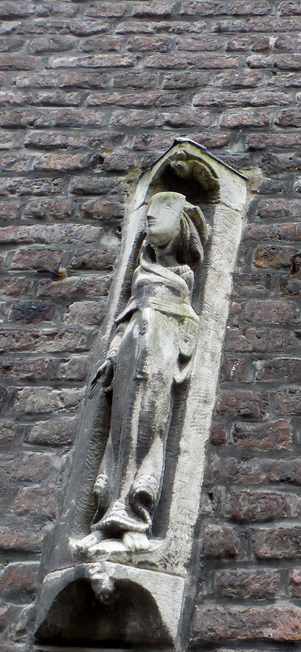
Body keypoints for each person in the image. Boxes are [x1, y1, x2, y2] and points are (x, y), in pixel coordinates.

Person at [75, 192, 208, 553]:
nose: (151, 216)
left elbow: (188, 322)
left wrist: (178, 346)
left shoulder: (183, 276)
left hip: (160, 352)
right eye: (148, 211)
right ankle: (106, 520)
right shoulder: (140, 272)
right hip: (132, 350)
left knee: (147, 427)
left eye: (162, 210)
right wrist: (113, 354)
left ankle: (137, 518)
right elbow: (126, 318)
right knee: (120, 433)